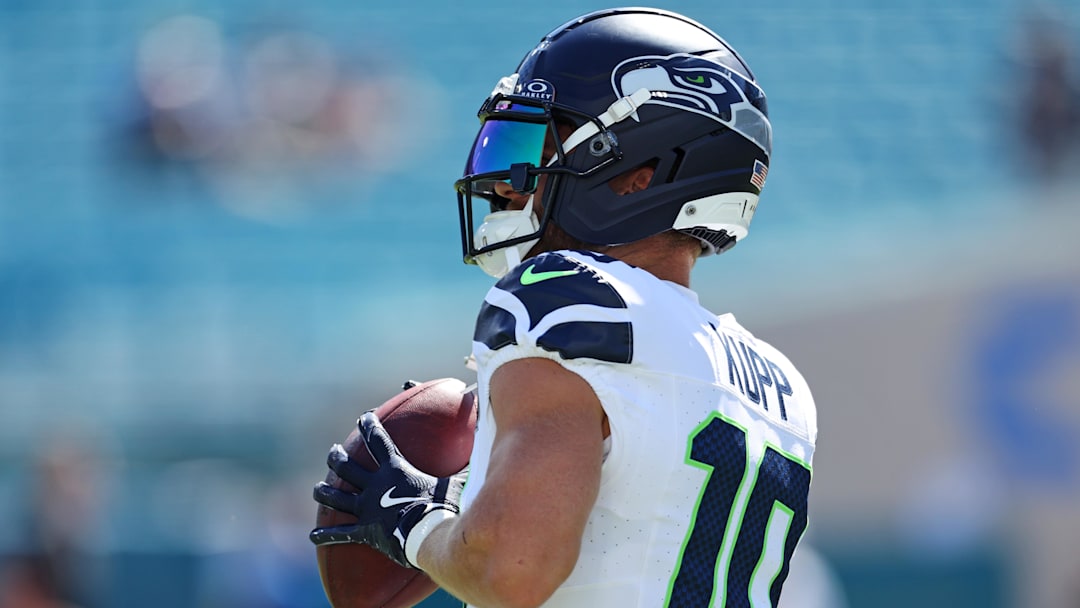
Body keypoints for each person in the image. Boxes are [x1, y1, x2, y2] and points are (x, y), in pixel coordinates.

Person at [310, 7, 818, 608]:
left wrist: (414, 521)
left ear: (638, 172)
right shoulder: (781, 383)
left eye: (536, 145)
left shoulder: (565, 298)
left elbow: (513, 570)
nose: (506, 183)